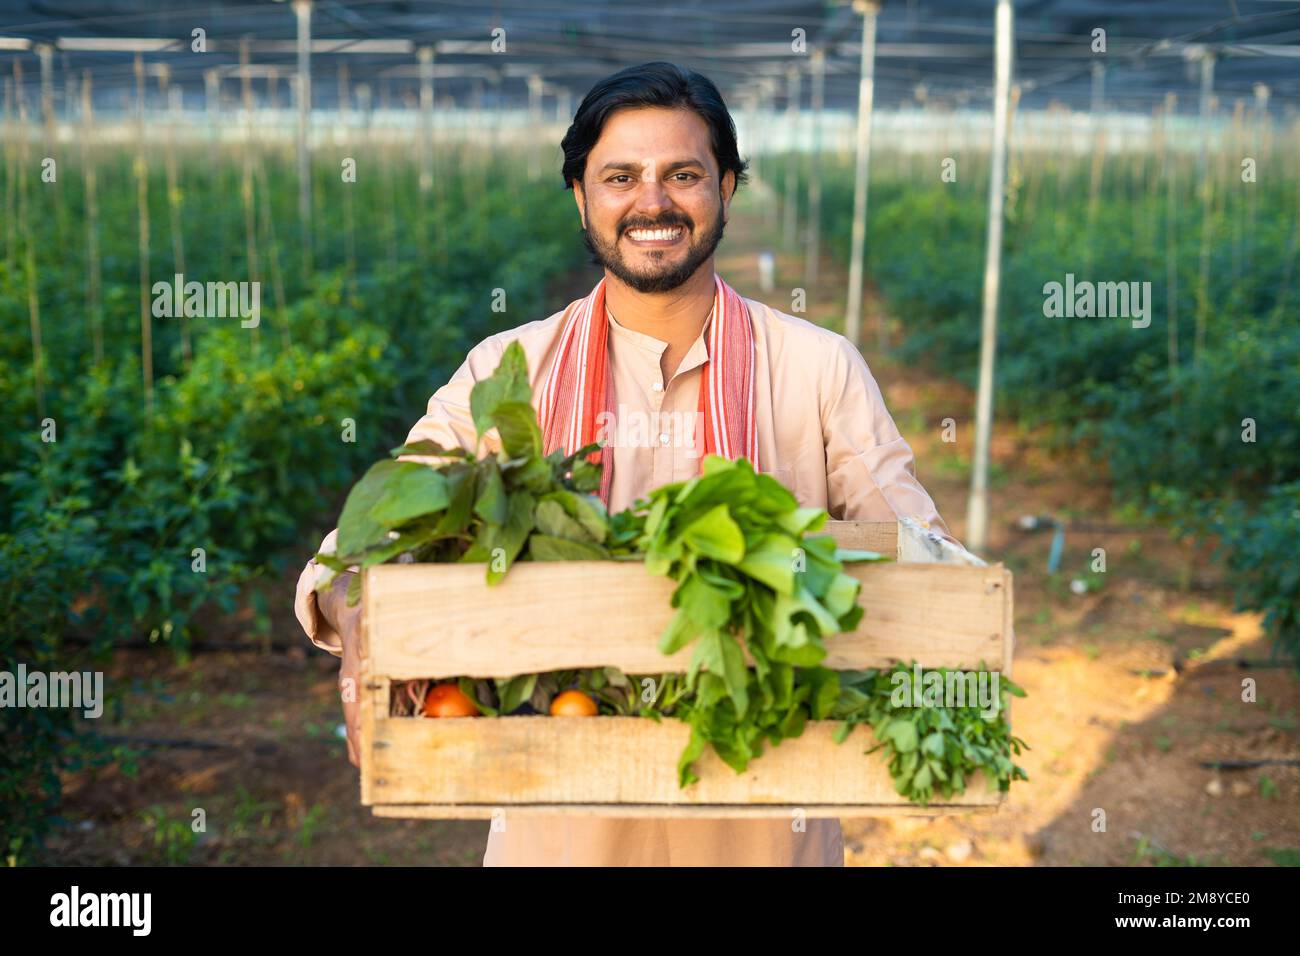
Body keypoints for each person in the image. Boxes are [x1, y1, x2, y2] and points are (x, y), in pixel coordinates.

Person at [294, 61, 958, 866]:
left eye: (684, 174)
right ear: (581, 195)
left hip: (763, 820)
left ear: (728, 187)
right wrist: (360, 605)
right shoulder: (512, 371)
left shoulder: (818, 369)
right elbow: (370, 532)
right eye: (621, 177)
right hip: (561, 825)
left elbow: (918, 550)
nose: (653, 202)